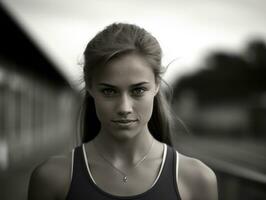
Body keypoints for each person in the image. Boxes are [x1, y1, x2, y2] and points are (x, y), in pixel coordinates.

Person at [28, 23, 218, 200]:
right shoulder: (52, 178)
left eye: (138, 90)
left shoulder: (197, 179)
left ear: (157, 85)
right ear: (90, 88)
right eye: (109, 91)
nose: (124, 108)